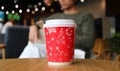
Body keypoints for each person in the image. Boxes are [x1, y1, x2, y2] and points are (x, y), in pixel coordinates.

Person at [20, 0, 95, 59]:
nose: (61, 0)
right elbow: (38, 24)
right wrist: (33, 26)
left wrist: (60, 38)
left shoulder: (85, 16)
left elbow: (89, 41)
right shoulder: (55, 16)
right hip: (54, 50)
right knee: (32, 48)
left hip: (76, 52)